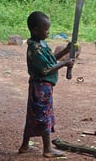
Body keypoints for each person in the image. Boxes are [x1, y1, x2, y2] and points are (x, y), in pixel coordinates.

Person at [18, 11, 74, 158]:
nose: (48, 32)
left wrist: (65, 52)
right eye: (46, 29)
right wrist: (64, 63)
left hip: (41, 86)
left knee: (33, 115)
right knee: (44, 116)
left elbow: (50, 60)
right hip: (40, 87)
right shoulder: (35, 48)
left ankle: (24, 146)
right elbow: (45, 69)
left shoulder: (41, 44)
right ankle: (48, 149)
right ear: (36, 30)